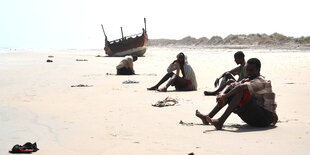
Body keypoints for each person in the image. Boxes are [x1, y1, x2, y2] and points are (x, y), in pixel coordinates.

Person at [196, 58, 278, 130]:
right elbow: (231, 84)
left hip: (265, 118)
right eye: (247, 70)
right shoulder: (248, 79)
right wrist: (222, 94)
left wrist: (225, 96)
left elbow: (241, 87)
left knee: (240, 91)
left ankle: (220, 122)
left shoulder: (261, 81)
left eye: (251, 70)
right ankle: (208, 117)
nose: (249, 73)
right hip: (254, 117)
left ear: (258, 70)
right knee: (233, 87)